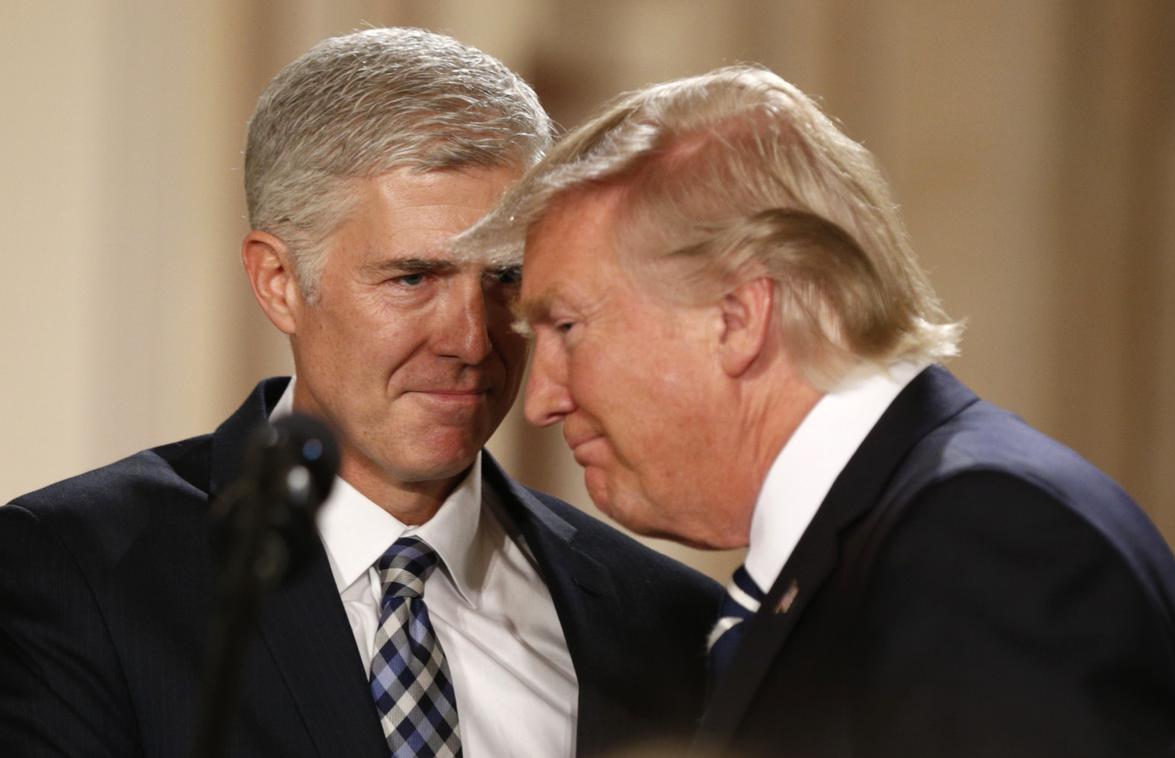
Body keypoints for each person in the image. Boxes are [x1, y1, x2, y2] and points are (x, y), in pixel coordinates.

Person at [0, 28, 721, 758]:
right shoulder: (79, 573)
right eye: (413, 279)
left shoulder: (670, 625)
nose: (472, 344)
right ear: (279, 283)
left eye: (505, 278)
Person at [460, 65, 1175, 756]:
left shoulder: (981, 544)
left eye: (566, 327)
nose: (543, 401)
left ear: (740, 317)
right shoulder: (887, 540)